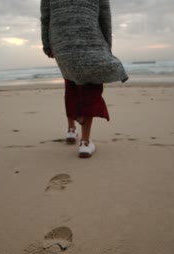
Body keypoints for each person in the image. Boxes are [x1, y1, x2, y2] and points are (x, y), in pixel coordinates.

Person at [41, 0, 128, 158]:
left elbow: (46, 15)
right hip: (89, 36)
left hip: (61, 40)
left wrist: (47, 44)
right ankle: (85, 143)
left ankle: (71, 130)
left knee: (71, 81)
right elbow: (105, 17)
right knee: (90, 86)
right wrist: (107, 46)